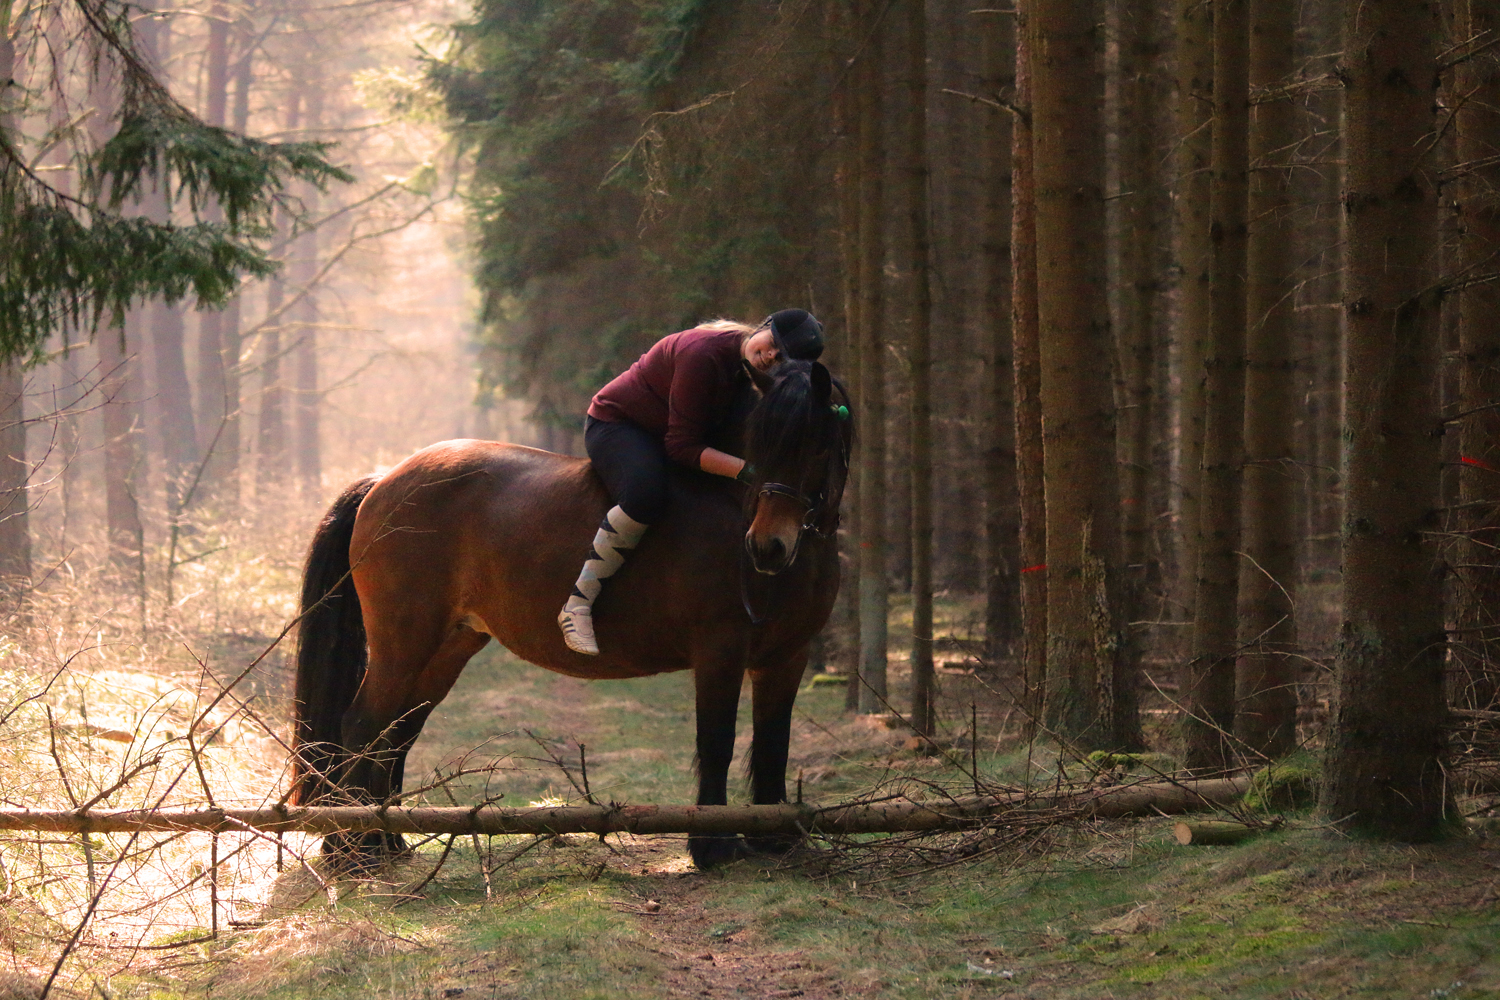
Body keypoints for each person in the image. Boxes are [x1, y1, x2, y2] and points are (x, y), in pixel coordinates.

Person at [558, 308, 826, 655]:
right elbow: (681, 446)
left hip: (679, 435)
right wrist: (749, 472)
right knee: (646, 496)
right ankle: (578, 604)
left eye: (781, 358)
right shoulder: (703, 353)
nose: (771, 356)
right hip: (621, 425)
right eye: (773, 343)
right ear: (762, 328)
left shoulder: (757, 377)